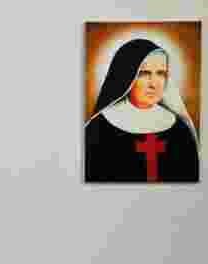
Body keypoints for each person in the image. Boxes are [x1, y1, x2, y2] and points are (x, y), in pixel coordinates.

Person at [85, 38, 200, 182]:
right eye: (144, 73)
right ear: (127, 78)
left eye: (160, 73)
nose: (154, 84)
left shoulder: (180, 129)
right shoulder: (98, 129)